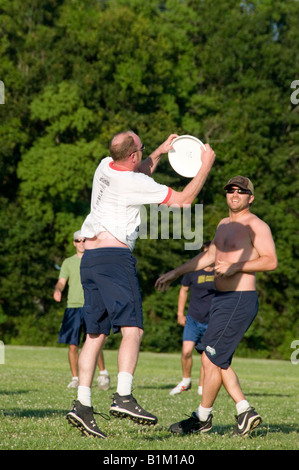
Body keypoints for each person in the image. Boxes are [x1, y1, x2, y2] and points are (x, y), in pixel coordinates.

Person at [66, 130, 216, 438]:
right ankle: (123, 395)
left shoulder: (105, 165)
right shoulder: (135, 182)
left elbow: (139, 171)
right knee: (132, 329)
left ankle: (82, 405)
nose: (144, 154)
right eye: (143, 149)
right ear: (133, 155)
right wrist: (206, 165)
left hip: (90, 261)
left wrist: (160, 152)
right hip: (114, 259)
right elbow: (185, 201)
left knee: (95, 334)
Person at [156, 175, 277, 436]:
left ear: (250, 197)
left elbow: (270, 261)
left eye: (241, 191)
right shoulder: (223, 225)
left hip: (239, 299)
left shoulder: (256, 225)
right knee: (214, 359)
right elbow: (208, 256)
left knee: (211, 356)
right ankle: (244, 412)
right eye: (230, 190)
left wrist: (236, 266)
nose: (234, 194)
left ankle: (204, 418)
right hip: (220, 300)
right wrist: (176, 272)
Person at [54, 231, 110, 391]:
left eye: (84, 240)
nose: (81, 243)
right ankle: (75, 378)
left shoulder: (95, 260)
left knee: (94, 342)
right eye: (77, 240)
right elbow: (61, 282)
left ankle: (103, 374)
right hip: (73, 307)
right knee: (73, 345)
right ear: (74, 243)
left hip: (92, 306)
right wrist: (58, 290)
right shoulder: (68, 262)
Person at [170, 241, 215, 396]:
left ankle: (202, 388)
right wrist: (179, 314)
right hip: (193, 319)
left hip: (212, 320)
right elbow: (183, 291)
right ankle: (186, 381)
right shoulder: (193, 270)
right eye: (205, 253)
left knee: (206, 356)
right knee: (186, 351)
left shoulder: (220, 272)